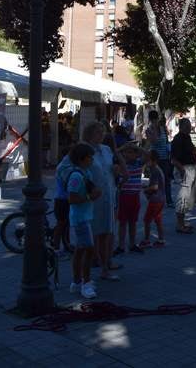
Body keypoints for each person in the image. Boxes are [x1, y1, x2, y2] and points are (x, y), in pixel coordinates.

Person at [83, 122, 123, 280]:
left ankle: (105, 268)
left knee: (107, 232)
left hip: (109, 195)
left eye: (103, 132)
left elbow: (113, 167)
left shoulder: (106, 150)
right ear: (90, 134)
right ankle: (91, 268)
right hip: (94, 198)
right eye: (98, 132)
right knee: (96, 233)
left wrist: (116, 170)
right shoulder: (85, 150)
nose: (101, 135)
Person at [67, 143, 101, 299]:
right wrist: (89, 197)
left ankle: (76, 282)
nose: (92, 160)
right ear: (82, 159)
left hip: (86, 216)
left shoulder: (86, 173)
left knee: (80, 250)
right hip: (80, 218)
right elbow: (71, 198)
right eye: (89, 157)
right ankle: (85, 283)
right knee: (89, 249)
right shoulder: (76, 176)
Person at [116, 142, 146, 254]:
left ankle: (132, 244)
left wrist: (136, 147)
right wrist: (123, 147)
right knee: (122, 222)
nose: (129, 154)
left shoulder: (138, 163)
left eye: (132, 152)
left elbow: (147, 154)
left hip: (135, 196)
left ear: (136, 154)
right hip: (124, 195)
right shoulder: (122, 165)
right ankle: (121, 245)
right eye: (127, 152)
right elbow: (116, 152)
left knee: (133, 222)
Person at [171, 117, 196, 234]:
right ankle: (180, 224)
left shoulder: (187, 137)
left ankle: (184, 222)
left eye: (189, 125)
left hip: (191, 168)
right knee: (182, 198)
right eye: (187, 126)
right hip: (184, 169)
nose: (189, 127)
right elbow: (173, 159)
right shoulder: (177, 139)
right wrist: (182, 170)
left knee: (188, 199)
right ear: (182, 126)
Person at [145, 111, 173, 208]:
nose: (154, 122)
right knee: (154, 180)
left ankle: (169, 200)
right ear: (150, 120)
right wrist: (153, 130)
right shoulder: (148, 130)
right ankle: (153, 199)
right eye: (153, 120)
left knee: (166, 179)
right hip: (155, 159)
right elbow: (154, 141)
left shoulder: (163, 129)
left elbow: (166, 141)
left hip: (165, 157)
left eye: (155, 120)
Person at [140, 150, 166, 248]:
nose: (146, 161)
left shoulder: (155, 170)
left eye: (147, 159)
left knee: (147, 220)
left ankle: (147, 240)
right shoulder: (157, 169)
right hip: (161, 199)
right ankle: (161, 239)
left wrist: (145, 189)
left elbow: (155, 187)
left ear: (153, 160)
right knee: (158, 219)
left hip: (155, 200)